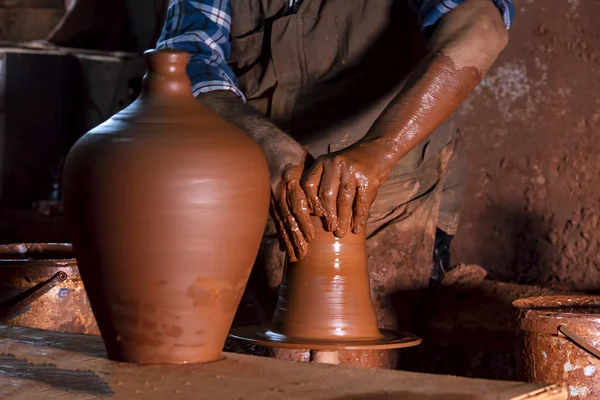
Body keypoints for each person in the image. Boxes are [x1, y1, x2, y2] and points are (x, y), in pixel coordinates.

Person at [157, 0, 513, 367]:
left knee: (373, 373)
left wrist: (382, 150)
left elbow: (481, 27)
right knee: (260, 370)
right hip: (259, 187)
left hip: (394, 195)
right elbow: (182, 66)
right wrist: (262, 142)